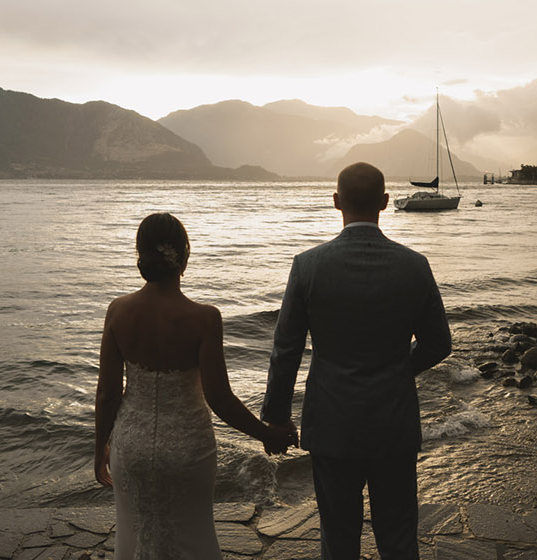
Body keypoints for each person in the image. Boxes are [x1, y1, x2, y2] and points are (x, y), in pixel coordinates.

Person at [261, 162, 452, 560]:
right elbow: (438, 343)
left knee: (338, 537)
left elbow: (286, 351)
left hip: (332, 422)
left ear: (336, 202)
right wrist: (400, 368)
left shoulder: (308, 266)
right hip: (394, 422)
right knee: (399, 537)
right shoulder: (414, 266)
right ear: (385, 202)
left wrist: (276, 419)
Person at [94, 212, 296, 559]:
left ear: (140, 256)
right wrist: (266, 434)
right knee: (194, 536)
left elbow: (107, 394)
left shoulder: (118, 311)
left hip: (132, 446)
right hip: (188, 448)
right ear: (184, 256)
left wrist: (100, 448)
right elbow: (218, 397)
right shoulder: (204, 318)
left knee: (135, 533)